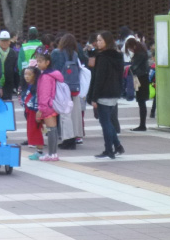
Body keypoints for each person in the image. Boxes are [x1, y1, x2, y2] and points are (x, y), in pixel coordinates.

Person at [88, 31, 125, 159]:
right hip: (114, 92)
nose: (98, 43)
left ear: (107, 41)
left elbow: (99, 79)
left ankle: (109, 149)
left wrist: (94, 97)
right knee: (107, 121)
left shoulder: (103, 58)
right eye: (97, 40)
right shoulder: (117, 56)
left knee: (105, 123)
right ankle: (118, 146)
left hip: (103, 93)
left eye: (100, 40)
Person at [52, 33, 84, 150]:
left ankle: (68, 140)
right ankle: (73, 138)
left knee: (64, 115)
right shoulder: (75, 54)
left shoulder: (56, 53)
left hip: (61, 87)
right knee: (72, 114)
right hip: (73, 87)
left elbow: (54, 70)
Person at [35, 49, 62, 162]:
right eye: (37, 61)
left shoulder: (46, 76)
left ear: (47, 62)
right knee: (53, 130)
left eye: (41, 61)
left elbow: (44, 94)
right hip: (52, 105)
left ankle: (52, 154)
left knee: (51, 130)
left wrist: (41, 109)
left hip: (47, 107)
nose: (38, 63)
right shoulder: (52, 74)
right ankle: (53, 153)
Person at [125, 37, 150, 131]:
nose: (130, 50)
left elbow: (134, 66)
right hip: (140, 78)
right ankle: (142, 124)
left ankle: (142, 125)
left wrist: (128, 68)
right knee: (141, 101)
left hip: (140, 79)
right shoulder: (141, 52)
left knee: (141, 101)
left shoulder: (139, 54)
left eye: (130, 48)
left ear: (133, 46)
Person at [22, 67, 44, 160]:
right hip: (29, 111)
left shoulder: (36, 87)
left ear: (35, 76)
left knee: (36, 130)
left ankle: (40, 151)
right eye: (25, 74)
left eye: (29, 74)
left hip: (34, 111)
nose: (26, 77)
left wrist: (37, 111)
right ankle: (38, 150)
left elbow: (38, 100)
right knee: (32, 130)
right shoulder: (29, 86)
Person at [0, 30, 18, 100]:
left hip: (9, 85)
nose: (4, 43)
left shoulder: (13, 53)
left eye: (6, 41)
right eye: (2, 40)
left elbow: (16, 70)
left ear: (9, 41)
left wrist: (17, 86)